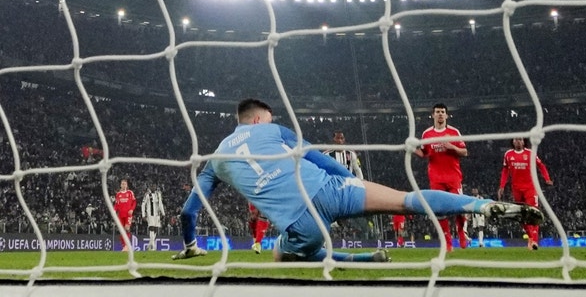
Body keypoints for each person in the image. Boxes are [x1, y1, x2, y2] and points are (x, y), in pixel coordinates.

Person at [173, 98, 543, 263]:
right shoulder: (277, 130)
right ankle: (480, 206)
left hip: (304, 222)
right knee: (406, 200)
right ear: (257, 120)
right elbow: (318, 156)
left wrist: (191, 246)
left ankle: (358, 257)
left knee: (279, 253)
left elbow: (189, 213)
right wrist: (352, 185)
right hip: (334, 189)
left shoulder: (214, 160)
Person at [414, 103, 469, 252]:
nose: (440, 114)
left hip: (453, 176)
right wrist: (413, 149)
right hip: (436, 178)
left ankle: (461, 233)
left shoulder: (453, 132)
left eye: (442, 112)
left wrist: (453, 147)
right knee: (439, 211)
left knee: (459, 207)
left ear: (446, 115)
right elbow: (424, 154)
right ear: (433, 115)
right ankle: (448, 244)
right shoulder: (427, 134)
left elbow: (464, 152)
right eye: (437, 112)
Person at [498, 137, 553, 250]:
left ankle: (534, 241)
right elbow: (505, 171)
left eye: (520, 140)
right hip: (516, 189)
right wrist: (502, 186)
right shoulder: (508, 154)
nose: (518, 141)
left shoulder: (530, 153)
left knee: (534, 213)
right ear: (513, 141)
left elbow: (541, 165)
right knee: (521, 216)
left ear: (523, 142)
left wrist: (547, 178)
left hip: (530, 188)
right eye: (516, 140)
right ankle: (531, 237)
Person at [113, 178, 136, 251]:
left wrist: (132, 209)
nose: (123, 185)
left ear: (127, 185)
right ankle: (124, 246)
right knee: (122, 230)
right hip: (120, 215)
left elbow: (134, 202)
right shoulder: (118, 194)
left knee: (127, 228)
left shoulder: (130, 193)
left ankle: (127, 245)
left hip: (128, 214)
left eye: (125, 184)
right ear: (120, 185)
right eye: (122, 184)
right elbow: (116, 205)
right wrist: (114, 211)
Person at [141, 185, 165, 251]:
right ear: (150, 187)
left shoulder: (158, 194)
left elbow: (160, 204)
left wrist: (163, 213)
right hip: (150, 214)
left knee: (155, 229)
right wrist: (143, 215)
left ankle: (149, 245)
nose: (153, 187)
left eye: (154, 186)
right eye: (152, 186)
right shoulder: (147, 194)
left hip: (157, 214)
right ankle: (153, 246)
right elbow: (143, 204)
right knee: (151, 228)